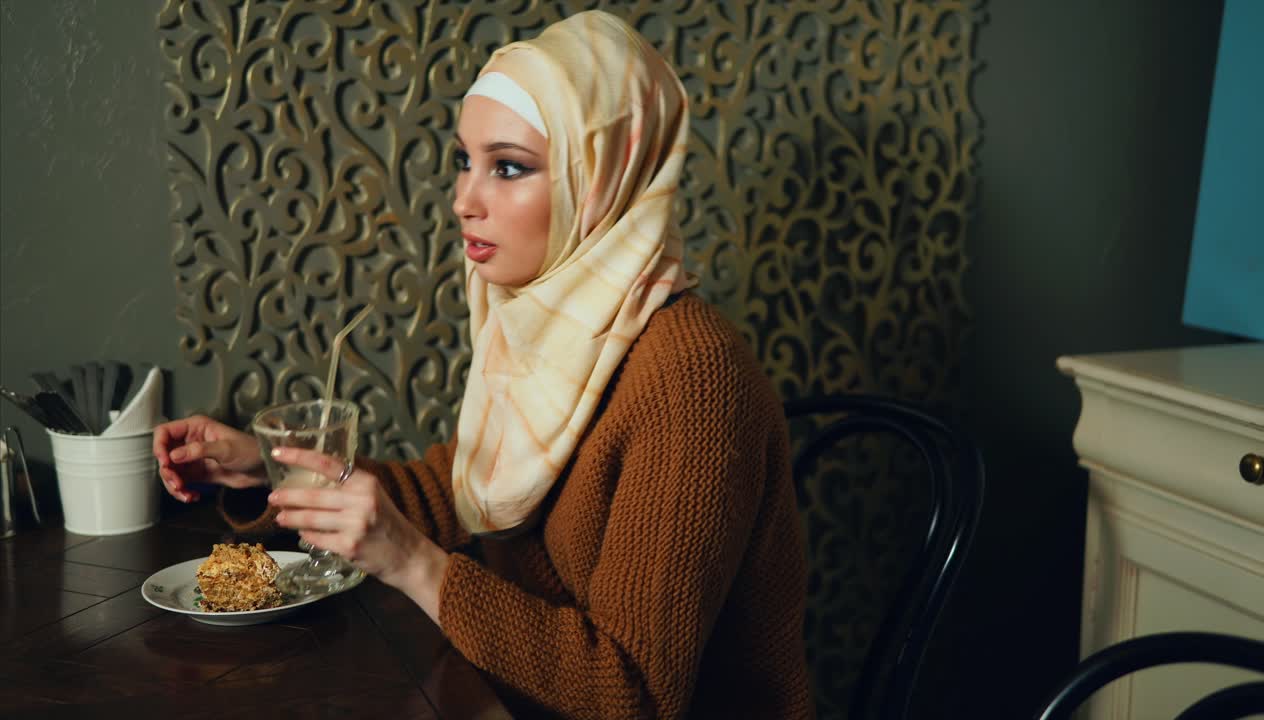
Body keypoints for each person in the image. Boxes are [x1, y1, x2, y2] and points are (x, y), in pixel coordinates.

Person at [152, 10, 811, 719]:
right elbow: (460, 497)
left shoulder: (692, 379)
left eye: (509, 167)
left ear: (602, 180)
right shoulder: (551, 318)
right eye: (465, 160)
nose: (465, 200)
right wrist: (273, 468)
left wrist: (413, 562)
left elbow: (633, 694)